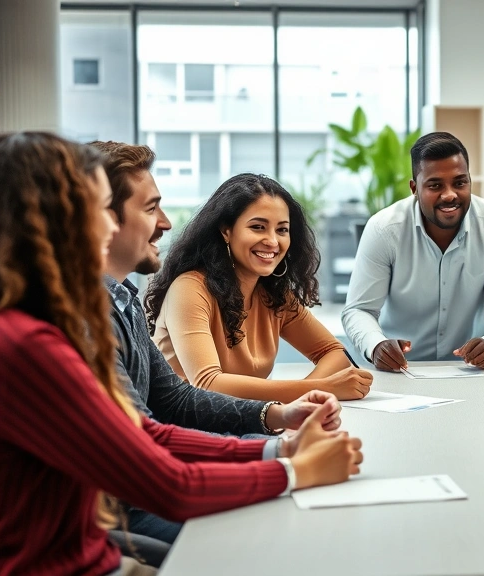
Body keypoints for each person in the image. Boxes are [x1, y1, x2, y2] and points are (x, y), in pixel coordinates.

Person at [0, 132, 362, 575]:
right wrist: (293, 469)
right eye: (101, 211)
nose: (112, 226)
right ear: (58, 219)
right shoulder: (35, 340)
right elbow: (164, 479)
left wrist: (279, 442)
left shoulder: (112, 301)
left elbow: (154, 422)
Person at [91, 140, 343, 545]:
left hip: (151, 479)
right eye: (151, 208)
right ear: (99, 218)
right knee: (259, 539)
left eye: (282, 230)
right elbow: (155, 432)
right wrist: (287, 462)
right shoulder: (85, 316)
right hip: (120, 507)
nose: (167, 223)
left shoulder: (123, 301)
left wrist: (278, 418)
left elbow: (174, 400)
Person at [145, 173, 373, 403]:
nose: (273, 241)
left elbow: (334, 352)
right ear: (226, 231)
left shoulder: (274, 294)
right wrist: (318, 390)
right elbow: (207, 384)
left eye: (282, 230)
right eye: (258, 227)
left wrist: (310, 394)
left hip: (245, 422)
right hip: (187, 428)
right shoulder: (190, 289)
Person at [342, 132, 484, 371]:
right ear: (414, 188)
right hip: (400, 372)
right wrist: (376, 345)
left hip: (472, 372)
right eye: (435, 185)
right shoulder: (383, 229)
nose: (449, 194)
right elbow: (359, 309)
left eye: (460, 182)